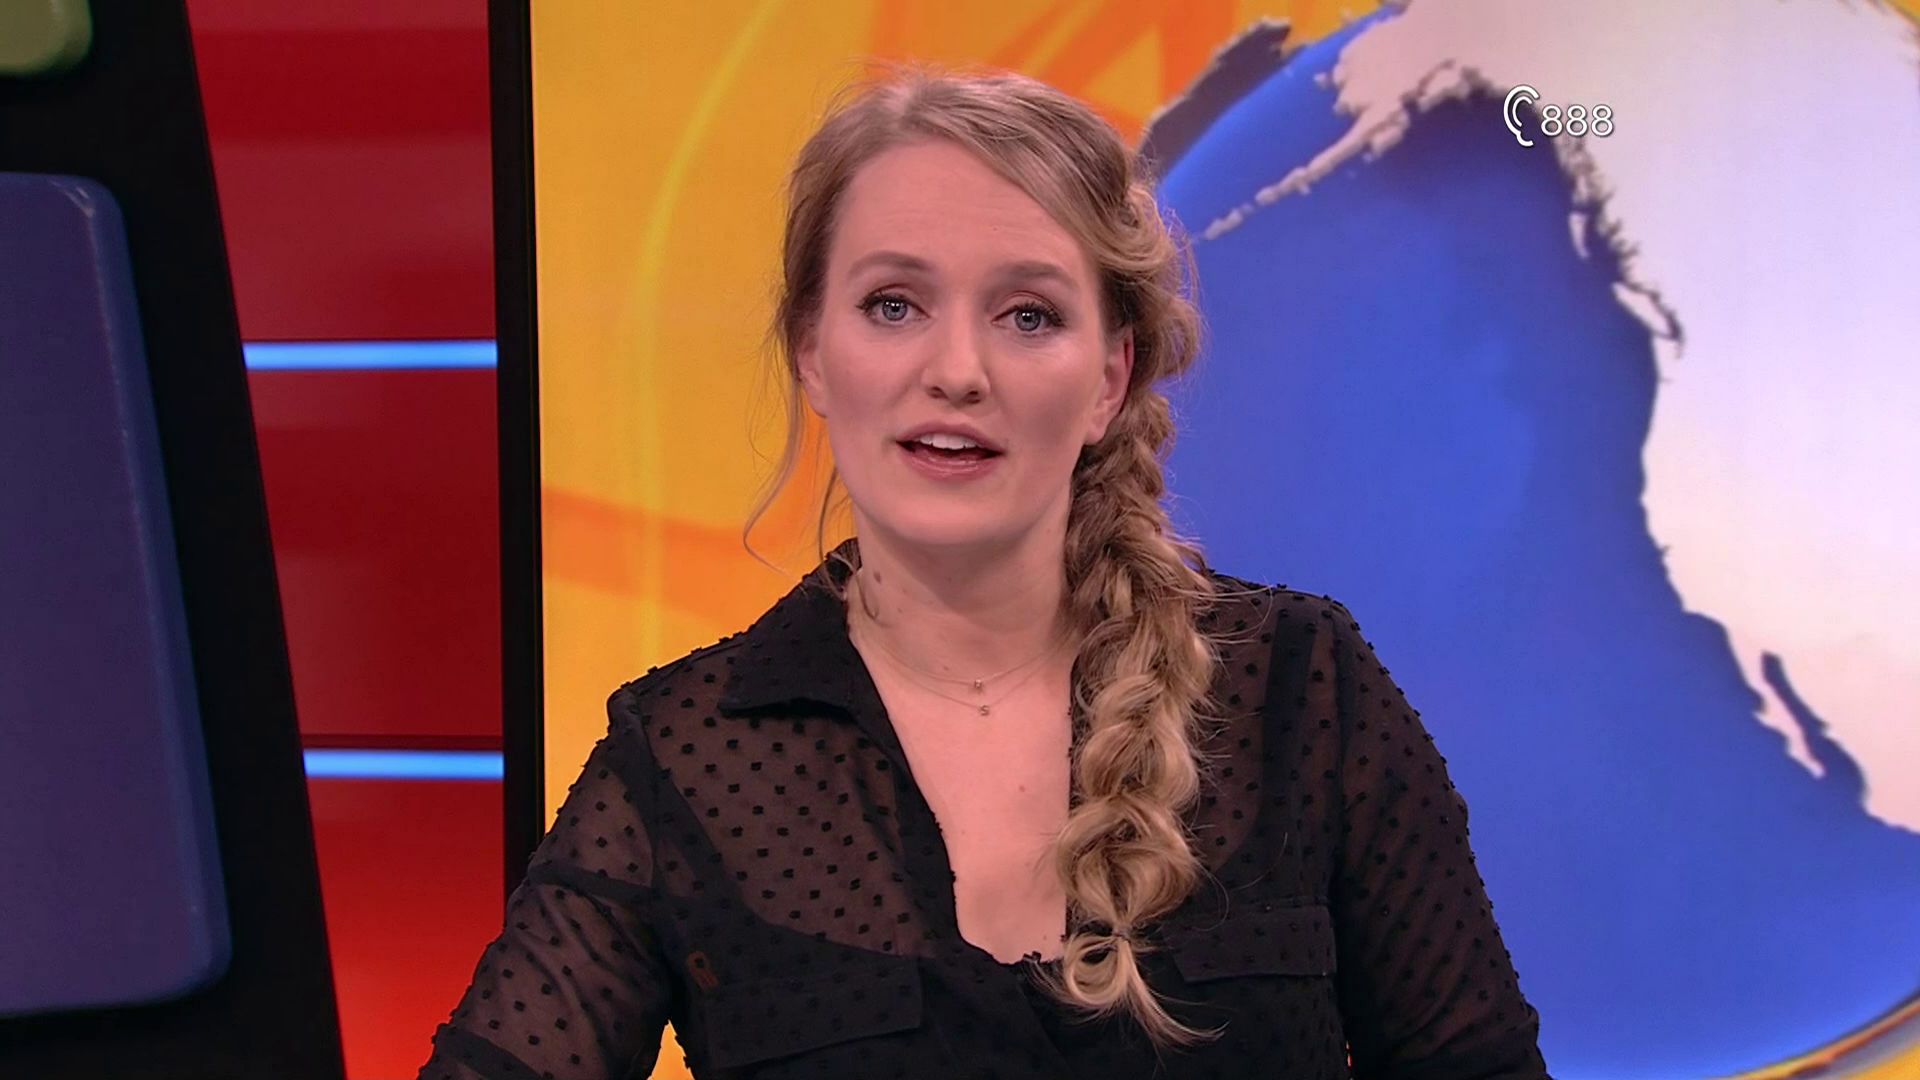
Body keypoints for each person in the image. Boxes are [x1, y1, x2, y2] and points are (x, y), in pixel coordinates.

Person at [419, 61, 1548, 1080]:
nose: (957, 370)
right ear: (814, 352)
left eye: (1027, 315)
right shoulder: (684, 755)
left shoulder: (1298, 690)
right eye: (893, 305)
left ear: (1109, 379)